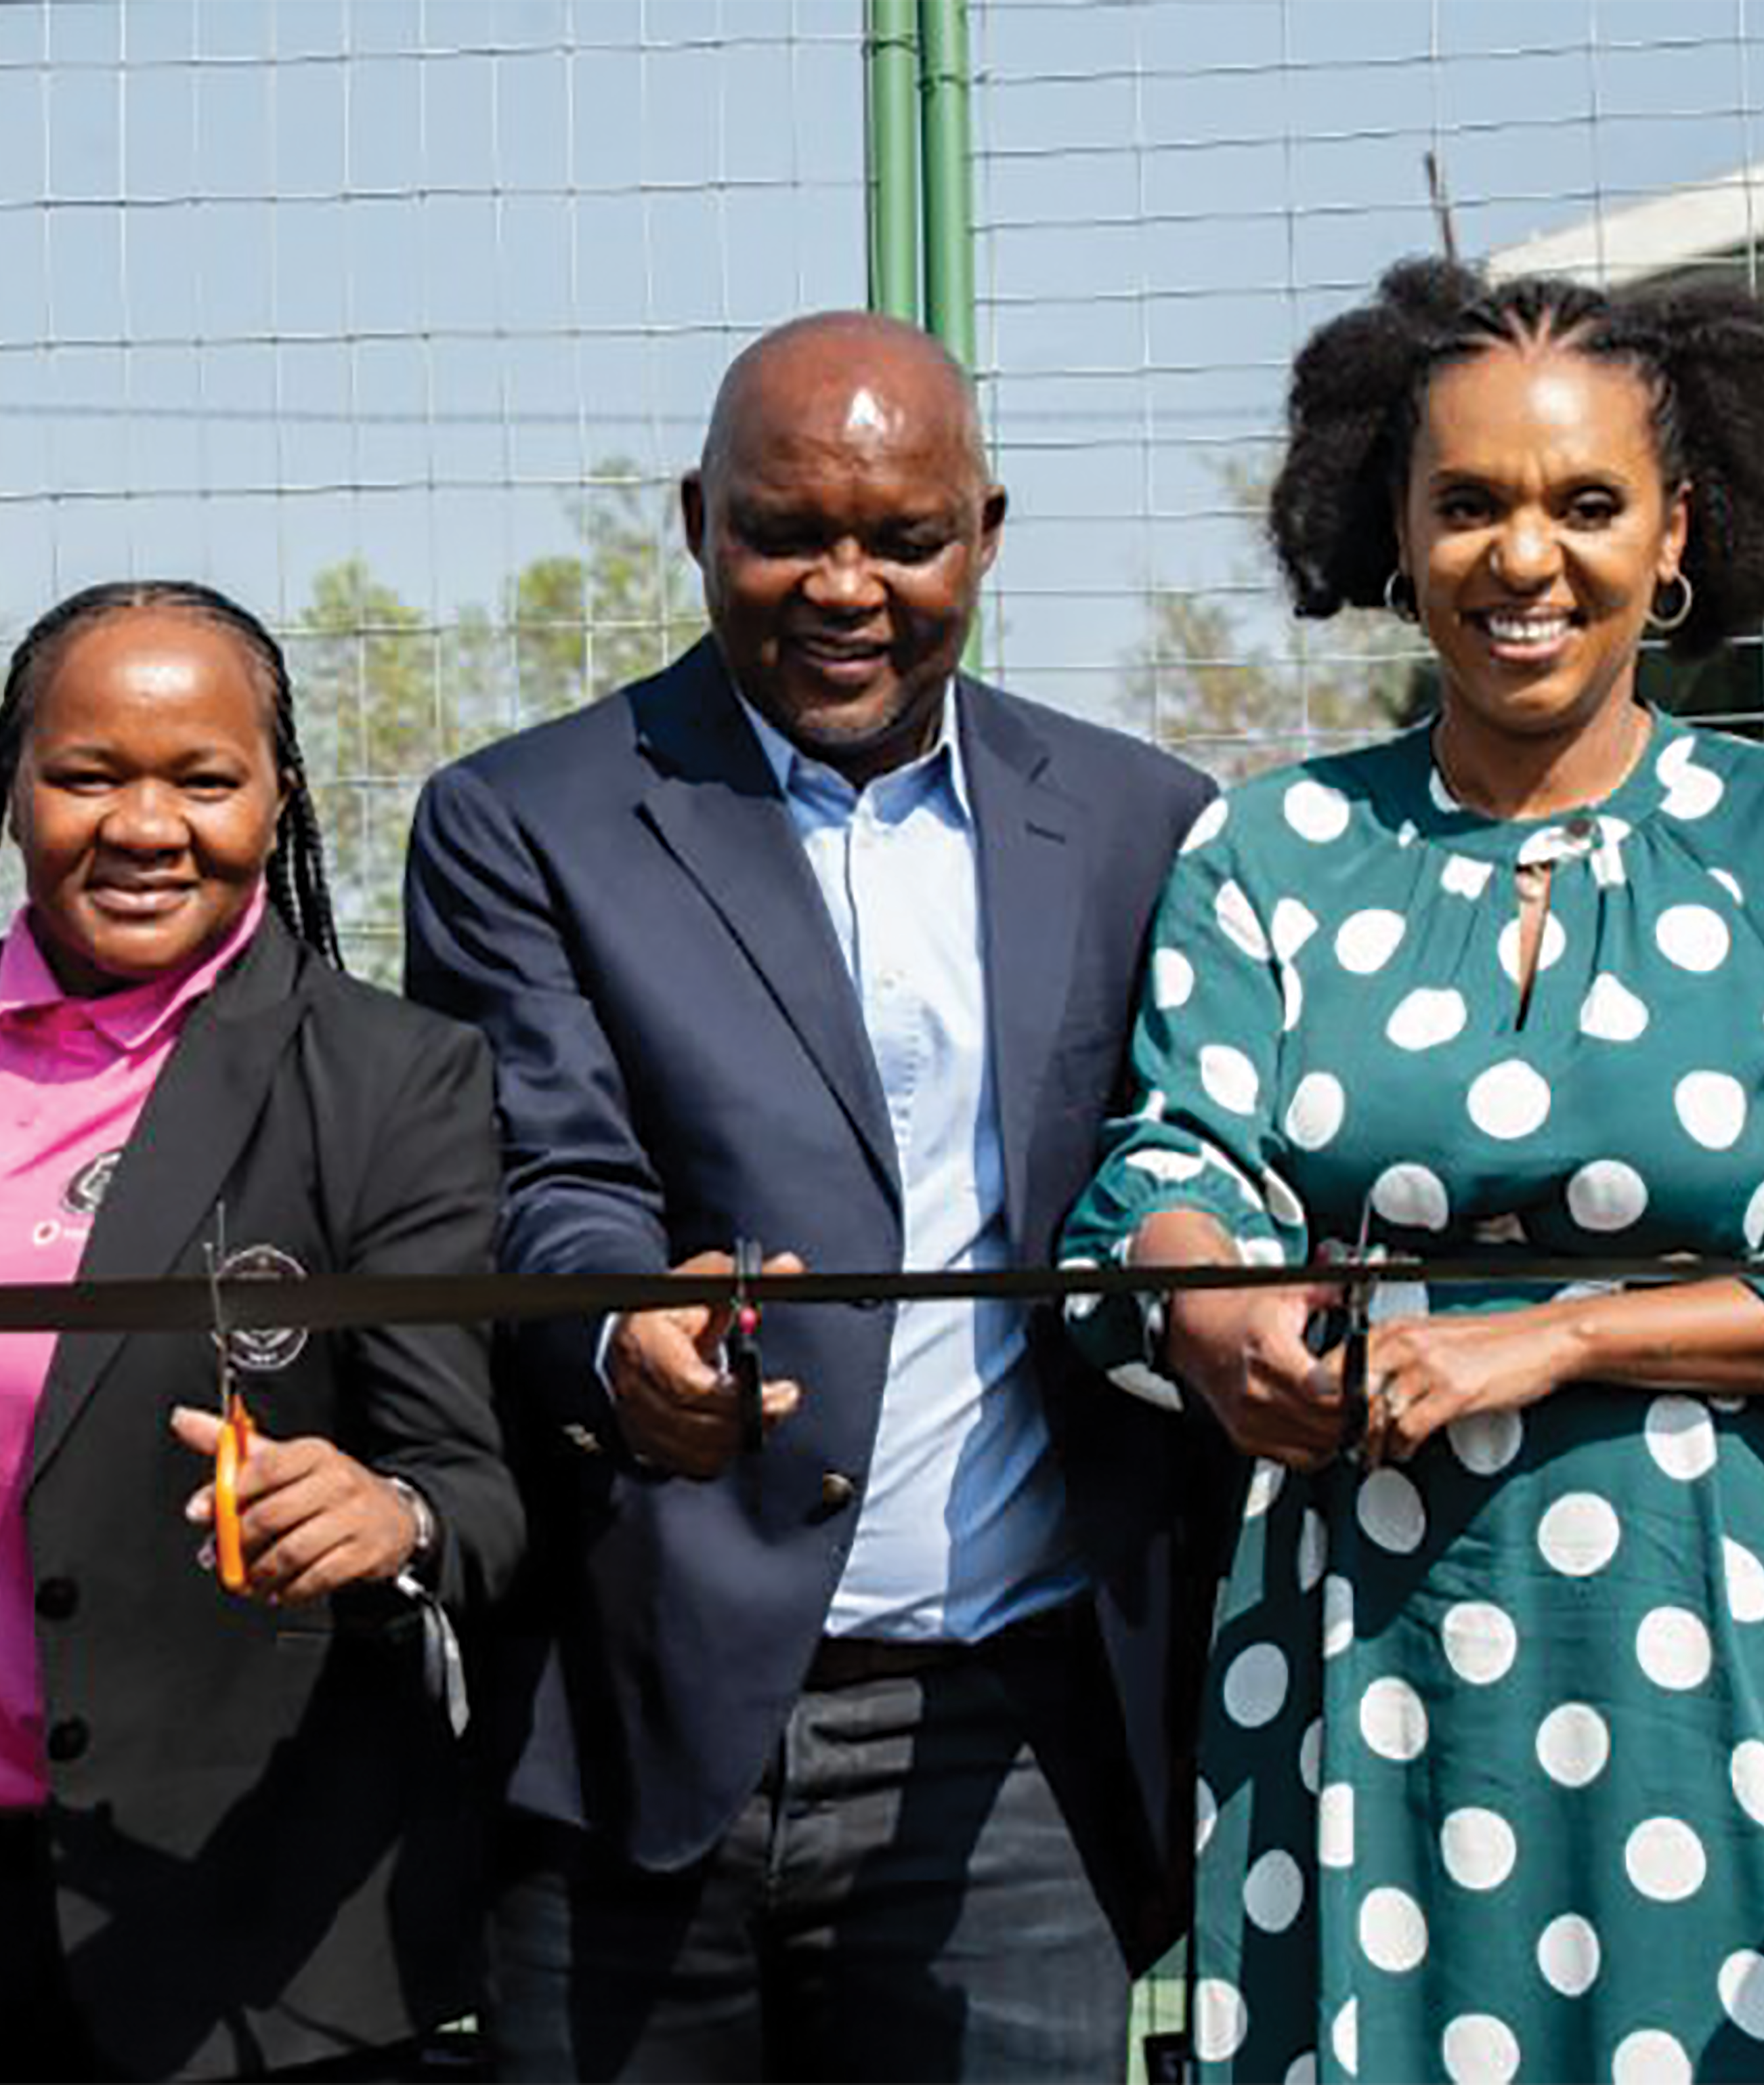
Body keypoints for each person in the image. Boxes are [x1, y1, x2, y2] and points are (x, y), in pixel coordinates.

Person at [402, 311, 1220, 2082]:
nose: (841, 584)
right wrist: (625, 1332)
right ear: (694, 518)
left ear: (983, 532)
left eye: (902, 538)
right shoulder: (523, 820)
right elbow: (546, 1174)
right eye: (783, 529)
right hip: (640, 1716)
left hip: (1006, 1740)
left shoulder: (1145, 821)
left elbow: (1183, 1170)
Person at [1061, 258, 1764, 2084]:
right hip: (1354, 1641)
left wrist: (1541, 1340)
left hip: (1714, 1636)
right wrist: (1204, 1287)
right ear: (1389, 527)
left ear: (1674, 527)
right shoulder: (1273, 849)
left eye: (1581, 503)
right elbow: (1170, 1154)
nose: (1518, 556)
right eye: (1464, 502)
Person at [0, 580, 522, 2081]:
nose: (145, 825)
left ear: (276, 795)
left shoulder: (386, 1082)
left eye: (203, 779)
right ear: (14, 786)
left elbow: (474, 1499)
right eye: (87, 774)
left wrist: (387, 1516)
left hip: (238, 1920)